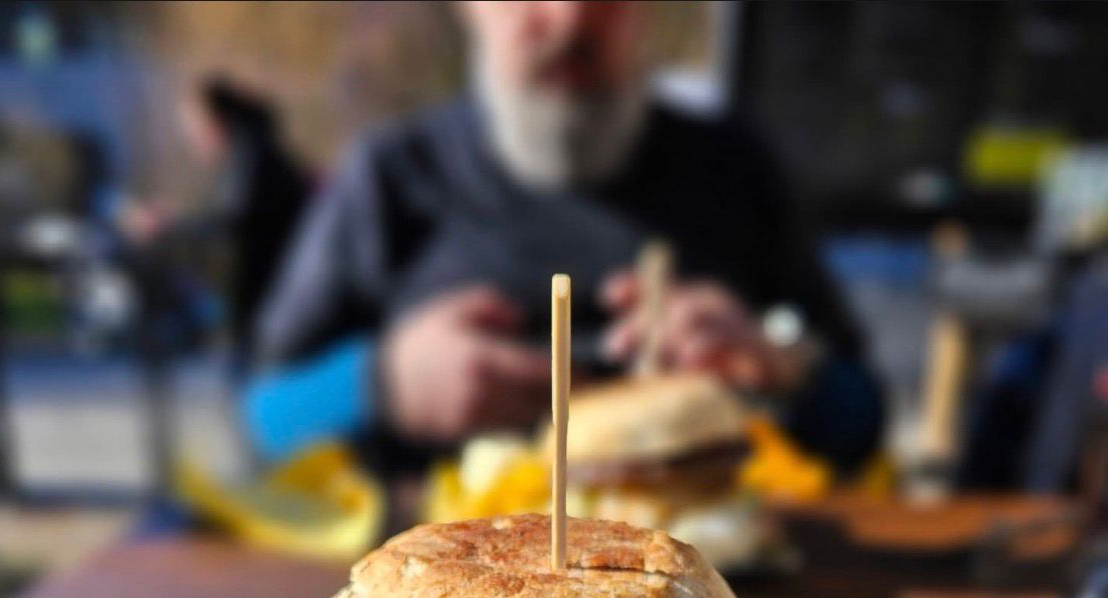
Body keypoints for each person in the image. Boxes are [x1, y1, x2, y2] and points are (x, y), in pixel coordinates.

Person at [246, 0, 882, 471]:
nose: (570, 17)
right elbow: (254, 424)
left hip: (701, 576)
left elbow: (866, 420)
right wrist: (380, 382)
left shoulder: (735, 169)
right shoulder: (391, 177)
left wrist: (781, 363)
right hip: (436, 579)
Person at [123, 76, 314, 360]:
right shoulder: (251, 153)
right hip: (272, 309)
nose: (192, 138)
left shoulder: (250, 157)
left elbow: (228, 227)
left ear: (214, 121)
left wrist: (168, 227)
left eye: (192, 127)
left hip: (274, 312)